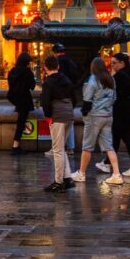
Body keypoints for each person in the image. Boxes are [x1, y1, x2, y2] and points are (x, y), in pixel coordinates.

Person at [72, 56, 123, 184]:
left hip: (94, 117)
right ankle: (117, 174)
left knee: (87, 147)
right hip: (107, 116)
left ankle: (81, 173)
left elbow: (87, 101)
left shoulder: (93, 80)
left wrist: (84, 113)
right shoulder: (111, 79)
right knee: (109, 147)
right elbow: (114, 98)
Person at [96, 51, 130, 177]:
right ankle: (107, 163)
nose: (112, 66)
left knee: (127, 138)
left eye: (114, 63)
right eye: (111, 64)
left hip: (122, 110)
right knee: (116, 137)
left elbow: (115, 94)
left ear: (122, 63)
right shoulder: (129, 73)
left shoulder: (120, 76)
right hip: (128, 109)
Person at [39, 54, 76, 193]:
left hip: (57, 116)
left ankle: (58, 182)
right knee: (62, 147)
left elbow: (45, 102)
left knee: (57, 150)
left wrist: (48, 115)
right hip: (69, 115)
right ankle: (67, 178)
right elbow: (74, 97)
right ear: (58, 66)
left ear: (45, 68)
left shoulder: (48, 82)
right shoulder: (65, 79)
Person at [6, 51, 35, 155]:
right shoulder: (27, 72)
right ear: (26, 62)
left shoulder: (12, 71)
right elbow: (32, 86)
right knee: (21, 123)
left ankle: (16, 146)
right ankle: (15, 146)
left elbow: (10, 85)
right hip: (24, 100)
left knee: (20, 121)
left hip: (15, 99)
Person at [52, 43, 78, 154]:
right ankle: (70, 147)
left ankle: (58, 147)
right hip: (70, 95)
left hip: (59, 97)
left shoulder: (57, 63)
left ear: (55, 52)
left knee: (58, 124)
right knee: (69, 123)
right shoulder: (70, 61)